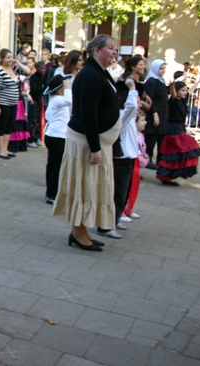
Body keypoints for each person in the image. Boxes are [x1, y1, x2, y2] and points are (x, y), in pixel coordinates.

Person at [52, 34, 120, 252]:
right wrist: (95, 147)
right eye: (110, 48)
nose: (114, 52)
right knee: (83, 187)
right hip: (85, 142)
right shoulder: (91, 75)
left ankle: (82, 231)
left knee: (89, 187)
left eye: (115, 48)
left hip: (94, 140)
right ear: (97, 51)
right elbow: (89, 115)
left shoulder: (99, 72)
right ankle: (77, 232)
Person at [96, 77, 140, 239]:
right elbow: (132, 106)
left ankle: (114, 220)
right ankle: (105, 226)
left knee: (123, 192)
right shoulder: (121, 115)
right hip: (120, 158)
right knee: (116, 193)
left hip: (127, 157)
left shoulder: (124, 115)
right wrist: (132, 87)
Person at [155, 81, 200, 185]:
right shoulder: (173, 101)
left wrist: (199, 81)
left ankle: (170, 175)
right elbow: (173, 94)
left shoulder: (183, 100)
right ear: (176, 91)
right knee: (176, 151)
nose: (185, 92)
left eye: (185, 90)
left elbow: (190, 91)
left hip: (180, 127)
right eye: (182, 90)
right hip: (173, 128)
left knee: (177, 153)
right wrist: (172, 85)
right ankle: (166, 175)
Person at [0, 48, 31, 159]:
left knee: (9, 127)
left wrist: (18, 63)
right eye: (8, 58)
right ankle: (1, 150)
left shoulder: (14, 68)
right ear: (2, 58)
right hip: (4, 103)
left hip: (13, 103)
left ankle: (6, 149)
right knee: (2, 126)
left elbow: (28, 72)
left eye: (11, 57)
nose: (10, 59)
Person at [43, 75, 72, 204]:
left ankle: (52, 192)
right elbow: (69, 101)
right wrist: (67, 87)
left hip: (55, 136)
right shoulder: (57, 100)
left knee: (53, 166)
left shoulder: (56, 99)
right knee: (56, 167)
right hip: (56, 137)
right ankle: (51, 194)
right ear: (59, 88)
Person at [123, 111, 149, 220]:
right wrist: (144, 159)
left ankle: (129, 209)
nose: (145, 122)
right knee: (128, 188)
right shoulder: (134, 135)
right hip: (134, 162)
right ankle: (122, 212)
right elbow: (137, 151)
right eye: (142, 120)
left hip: (138, 163)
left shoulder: (140, 135)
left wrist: (145, 156)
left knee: (133, 188)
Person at [143, 60, 169, 170]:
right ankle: (148, 159)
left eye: (164, 68)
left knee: (162, 140)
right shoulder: (151, 82)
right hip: (154, 113)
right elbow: (149, 99)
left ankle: (161, 161)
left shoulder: (162, 81)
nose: (163, 71)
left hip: (163, 114)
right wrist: (154, 113)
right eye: (160, 68)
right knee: (151, 138)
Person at [27, 61, 47, 147]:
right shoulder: (33, 77)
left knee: (38, 120)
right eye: (41, 69)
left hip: (39, 101)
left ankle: (37, 137)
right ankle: (31, 139)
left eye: (44, 68)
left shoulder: (43, 77)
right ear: (37, 68)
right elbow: (35, 89)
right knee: (33, 120)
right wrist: (43, 88)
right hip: (33, 101)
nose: (43, 70)